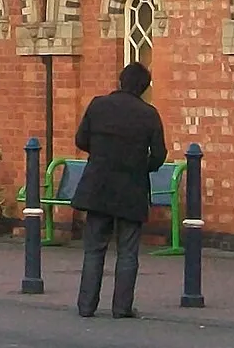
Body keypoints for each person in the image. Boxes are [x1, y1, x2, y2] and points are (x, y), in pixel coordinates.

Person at [72, 62, 168, 319]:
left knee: (94, 248)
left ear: (120, 81)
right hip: (131, 188)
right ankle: (121, 307)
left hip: (98, 186)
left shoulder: (98, 105)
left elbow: (80, 140)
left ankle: (86, 305)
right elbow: (159, 155)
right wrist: (141, 166)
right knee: (127, 251)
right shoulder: (149, 115)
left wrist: (103, 155)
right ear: (144, 88)